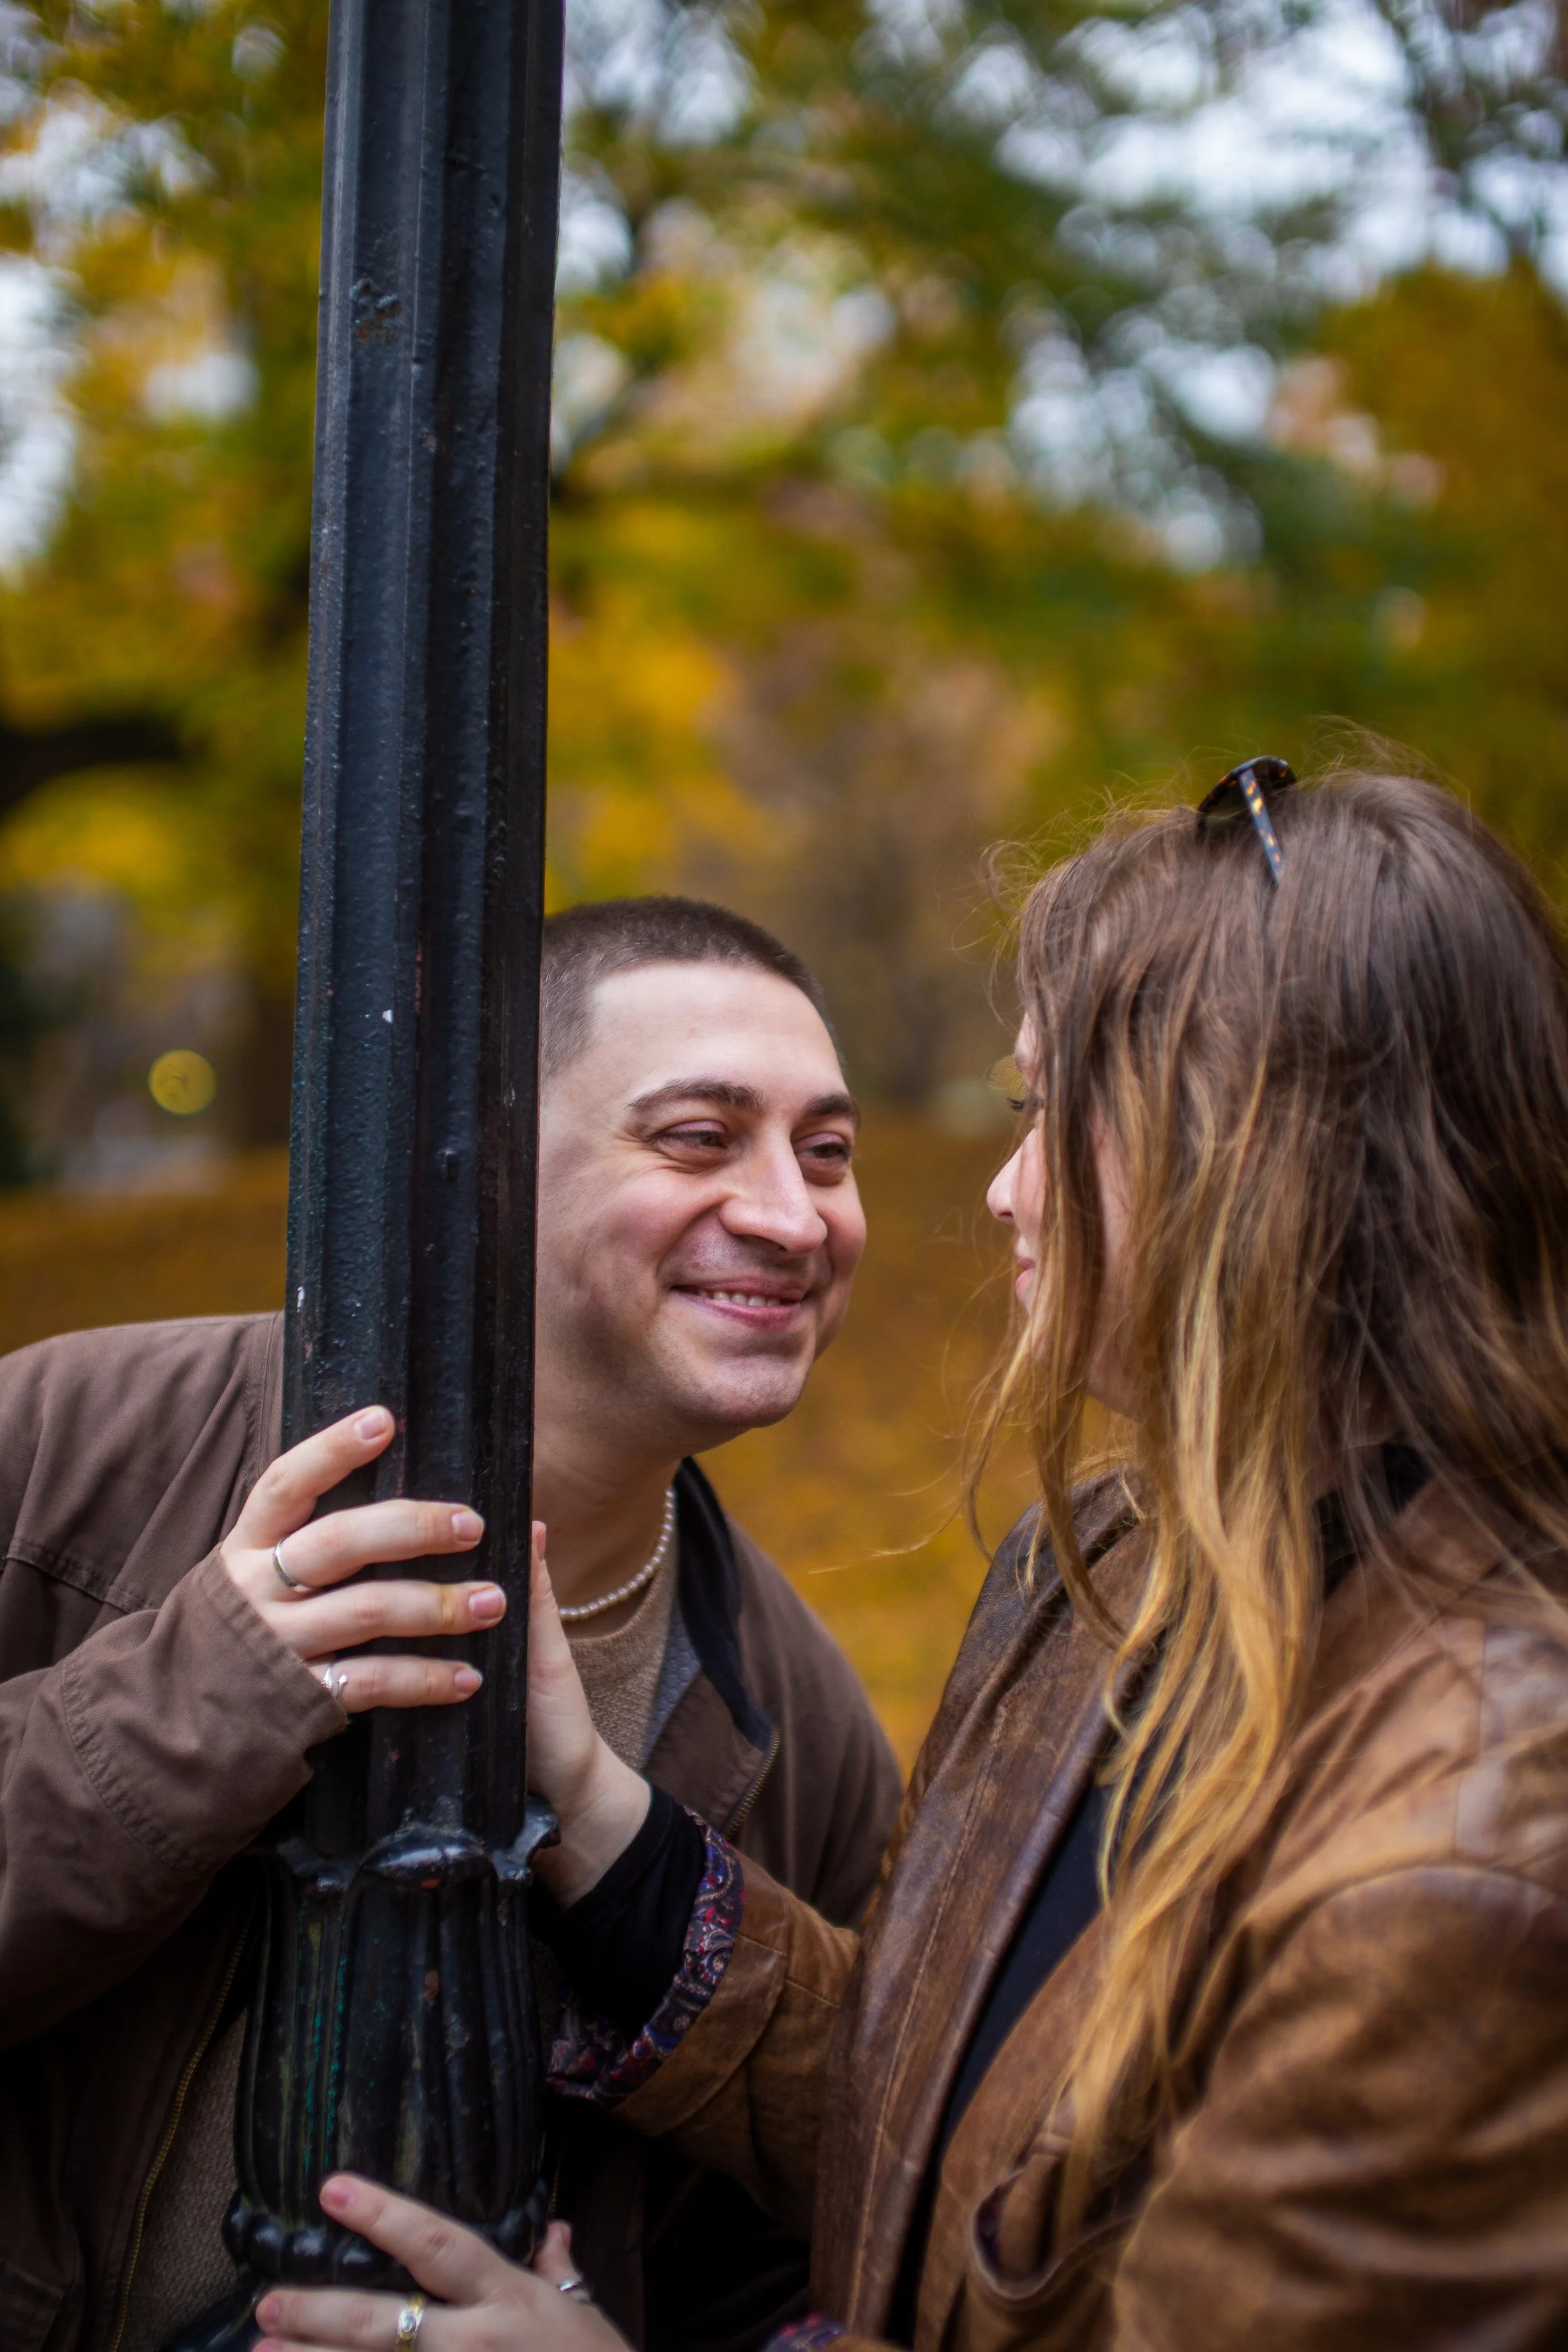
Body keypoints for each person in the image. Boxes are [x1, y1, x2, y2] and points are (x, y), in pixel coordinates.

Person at [258, 763, 1568, 2352]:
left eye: (1044, 1116)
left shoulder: (1472, 1844)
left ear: (1251, 1165)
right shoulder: (1102, 1565)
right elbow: (935, 2137)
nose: (1002, 1192)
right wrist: (601, 1817)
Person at [0, 898, 901, 2352]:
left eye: (827, 1154)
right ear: (481, 1166)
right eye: (694, 1138)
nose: (794, 1219)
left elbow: (792, 2259)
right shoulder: (58, 1452)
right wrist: (194, 1700)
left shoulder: (801, 1731)